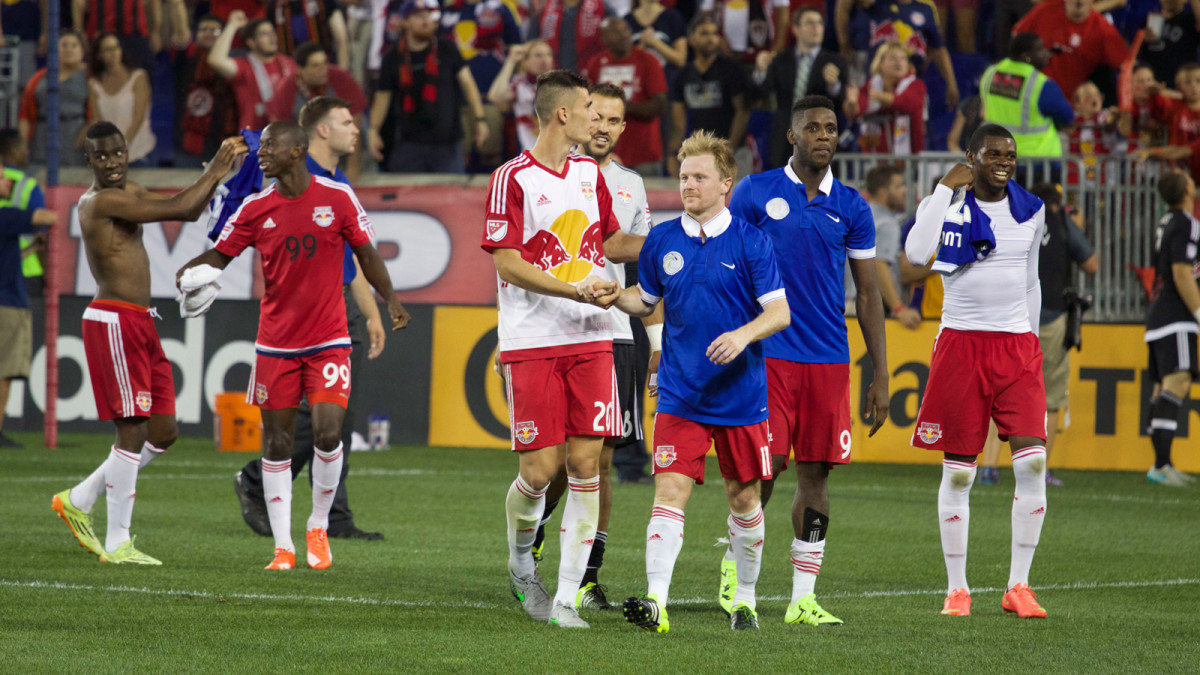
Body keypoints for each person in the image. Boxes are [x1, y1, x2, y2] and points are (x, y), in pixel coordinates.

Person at [178, 121, 407, 571]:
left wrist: (392, 299)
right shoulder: (254, 208)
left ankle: (317, 527)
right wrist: (187, 273)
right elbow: (219, 256)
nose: (260, 153)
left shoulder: (337, 197)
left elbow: (366, 254)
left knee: (327, 433)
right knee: (278, 442)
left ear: (297, 150)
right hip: (275, 344)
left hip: (329, 339)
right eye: (260, 147)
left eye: (269, 147)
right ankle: (283, 546)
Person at [482, 70, 644, 629]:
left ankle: (568, 597)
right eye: (589, 109)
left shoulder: (586, 174)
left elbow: (608, 242)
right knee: (540, 471)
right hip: (532, 340)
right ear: (562, 115)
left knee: (585, 464)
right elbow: (506, 261)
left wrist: (676, 238)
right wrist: (571, 286)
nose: (597, 119)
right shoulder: (513, 178)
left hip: (592, 337)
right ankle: (522, 561)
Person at [613, 130, 790, 633]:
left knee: (745, 500)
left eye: (699, 176)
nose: (688, 184)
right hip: (680, 392)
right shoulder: (663, 240)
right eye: (684, 175)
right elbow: (644, 302)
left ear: (725, 183)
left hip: (741, 396)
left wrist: (742, 335)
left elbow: (779, 312)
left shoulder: (752, 241)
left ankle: (747, 601)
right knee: (669, 492)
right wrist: (609, 296)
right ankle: (656, 602)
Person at [725, 94, 890, 627]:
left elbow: (867, 295)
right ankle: (736, 564)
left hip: (827, 359)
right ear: (792, 136)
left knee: (816, 475)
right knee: (765, 469)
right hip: (768, 355)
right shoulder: (755, 192)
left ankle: (803, 598)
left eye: (832, 128)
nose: (824, 135)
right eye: (813, 128)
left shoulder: (852, 205)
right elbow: (727, 263)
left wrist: (879, 373)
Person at [50, 123, 246, 565]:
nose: (112, 162)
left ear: (127, 152)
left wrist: (214, 178)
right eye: (101, 157)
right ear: (90, 162)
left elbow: (189, 209)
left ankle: (80, 498)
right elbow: (181, 208)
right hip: (113, 320)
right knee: (132, 429)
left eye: (118, 153)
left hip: (139, 320)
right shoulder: (100, 201)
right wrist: (216, 169)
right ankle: (118, 542)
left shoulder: (128, 190)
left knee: (163, 432)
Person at [233, 97, 395, 541]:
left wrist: (371, 311)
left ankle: (332, 518)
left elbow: (355, 258)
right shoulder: (293, 182)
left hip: (341, 305)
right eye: (345, 122)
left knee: (337, 417)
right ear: (318, 132)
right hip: (305, 316)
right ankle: (259, 480)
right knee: (319, 420)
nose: (355, 130)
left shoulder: (338, 184)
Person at [905, 123, 1050, 619]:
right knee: (961, 474)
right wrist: (944, 188)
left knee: (1032, 463)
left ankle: (1019, 586)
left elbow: (1031, 279)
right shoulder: (946, 204)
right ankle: (958, 589)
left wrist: (1030, 337)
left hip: (1016, 347)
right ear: (971, 156)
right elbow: (913, 254)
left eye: (1010, 154)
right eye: (992, 154)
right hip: (962, 344)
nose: (1004, 162)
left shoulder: (1032, 210)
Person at [530, 83, 657, 612]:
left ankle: (585, 575)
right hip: (557, 325)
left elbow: (645, 272)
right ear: (580, 116)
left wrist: (656, 341)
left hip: (618, 330)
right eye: (596, 115)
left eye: (614, 119)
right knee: (557, 463)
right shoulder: (554, 172)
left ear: (625, 126)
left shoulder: (631, 185)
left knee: (599, 462)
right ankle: (533, 539)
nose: (603, 126)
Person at [368, 0, 489, 173]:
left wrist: (480, 119)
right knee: (406, 198)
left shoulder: (447, 49)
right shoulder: (392, 57)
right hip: (408, 144)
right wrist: (373, 130)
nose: (426, 21)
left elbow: (468, 85)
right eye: (418, 16)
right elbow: (382, 97)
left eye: (429, 16)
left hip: (447, 144)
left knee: (450, 197)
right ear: (404, 21)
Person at [1032, 183, 1099, 486]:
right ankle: (1043, 469)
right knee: (1053, 397)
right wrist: (1076, 227)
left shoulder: (1019, 219)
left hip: (1016, 318)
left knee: (1002, 393)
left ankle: (991, 468)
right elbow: (1092, 264)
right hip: (1054, 316)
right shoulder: (1062, 222)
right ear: (1058, 205)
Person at [1142, 170, 1200, 487]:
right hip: (1176, 314)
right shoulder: (1187, 223)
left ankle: (1160, 464)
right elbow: (1182, 273)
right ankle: (1162, 465)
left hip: (1158, 312)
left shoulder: (1167, 221)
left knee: (1162, 388)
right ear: (1188, 188)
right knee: (1177, 383)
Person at [0, 148, 55, 448]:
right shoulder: (6, 215)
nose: (8, 182)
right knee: (4, 371)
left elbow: (8, 258)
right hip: (6, 301)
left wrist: (32, 249)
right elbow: (47, 216)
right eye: (2, 178)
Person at [751, 8, 849, 170]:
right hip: (784, 140)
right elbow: (761, 93)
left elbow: (842, 103)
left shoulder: (836, 62)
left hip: (819, 142)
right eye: (810, 23)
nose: (816, 28)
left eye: (819, 23)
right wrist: (760, 72)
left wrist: (833, 85)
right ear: (795, 29)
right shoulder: (781, 60)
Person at [268, 42, 367, 181]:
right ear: (300, 69)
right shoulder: (285, 91)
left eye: (325, 63)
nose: (323, 69)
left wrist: (353, 169)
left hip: (344, 147)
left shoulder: (343, 80)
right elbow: (281, 135)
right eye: (315, 65)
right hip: (302, 152)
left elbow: (355, 126)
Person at [583, 18, 669, 177]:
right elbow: (588, 105)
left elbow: (660, 106)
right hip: (604, 152)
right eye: (615, 32)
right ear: (604, 39)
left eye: (625, 30)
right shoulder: (595, 63)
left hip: (644, 154)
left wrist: (618, 106)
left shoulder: (648, 61)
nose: (623, 35)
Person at [669, 15, 750, 177]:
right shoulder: (683, 75)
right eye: (704, 34)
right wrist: (673, 153)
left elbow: (743, 111)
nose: (711, 38)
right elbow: (678, 121)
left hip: (735, 150)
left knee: (736, 200)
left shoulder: (731, 69)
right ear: (691, 39)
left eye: (714, 34)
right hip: (701, 152)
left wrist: (729, 148)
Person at [979, 34, 1075, 160]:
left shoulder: (991, 73)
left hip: (997, 159)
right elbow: (1068, 117)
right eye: (1040, 49)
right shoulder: (1041, 85)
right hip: (1038, 162)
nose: (1046, 53)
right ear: (1026, 57)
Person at [1013, 0, 1130, 102]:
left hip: (1070, 103)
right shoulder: (1045, 10)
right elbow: (1017, 36)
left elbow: (1126, 65)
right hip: (1032, 93)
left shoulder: (1103, 30)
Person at [166, 12, 240, 169]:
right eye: (203, 29)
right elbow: (180, 35)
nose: (208, 34)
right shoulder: (187, 56)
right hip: (189, 146)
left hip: (225, 144)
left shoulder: (233, 63)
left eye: (215, 31)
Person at [208, 10, 298, 131]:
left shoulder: (289, 63)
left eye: (272, 32)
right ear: (251, 42)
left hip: (287, 135)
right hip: (254, 138)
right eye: (264, 34)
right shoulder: (245, 66)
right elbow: (215, 60)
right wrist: (232, 26)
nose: (272, 37)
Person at [19, 31, 90, 167]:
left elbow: (95, 116)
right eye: (64, 45)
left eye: (74, 45)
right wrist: (23, 145)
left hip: (75, 140)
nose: (68, 49)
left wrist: (79, 141)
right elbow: (25, 116)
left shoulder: (90, 78)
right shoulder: (38, 78)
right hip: (42, 139)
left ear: (82, 51)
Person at [864, 164, 921, 329]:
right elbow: (878, 264)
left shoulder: (860, 218)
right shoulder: (887, 224)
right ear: (883, 192)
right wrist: (899, 308)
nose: (905, 190)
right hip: (877, 311)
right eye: (899, 186)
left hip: (852, 307)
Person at [89, 33, 157, 166]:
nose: (114, 53)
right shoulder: (93, 84)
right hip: (109, 157)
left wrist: (121, 148)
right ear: (99, 55)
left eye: (116, 47)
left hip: (139, 153)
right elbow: (97, 119)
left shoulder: (139, 77)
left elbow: (138, 117)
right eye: (108, 49)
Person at [850, 42, 927, 155]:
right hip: (875, 159)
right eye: (893, 58)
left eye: (903, 58)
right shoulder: (871, 86)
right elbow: (856, 110)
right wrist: (851, 103)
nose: (899, 62)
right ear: (880, 63)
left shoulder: (916, 85)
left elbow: (906, 103)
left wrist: (879, 96)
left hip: (909, 159)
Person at [487, 40, 555, 153]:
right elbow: (495, 96)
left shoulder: (561, 83)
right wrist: (511, 61)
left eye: (548, 55)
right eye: (538, 55)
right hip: (531, 155)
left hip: (561, 154)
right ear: (525, 62)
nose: (545, 60)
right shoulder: (519, 83)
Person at [265, 0, 350, 68]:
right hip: (292, 70)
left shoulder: (323, 2)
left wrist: (342, 70)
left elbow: (341, 39)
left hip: (325, 65)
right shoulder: (275, 7)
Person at [535, 0, 608, 74]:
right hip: (557, 71)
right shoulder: (547, 9)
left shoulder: (600, 7)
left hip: (588, 70)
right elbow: (532, 41)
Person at [1141, 0, 1200, 88]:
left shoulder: (1190, 19)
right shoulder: (1149, 19)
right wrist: (1142, 39)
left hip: (1181, 85)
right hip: (1152, 83)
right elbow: (1135, 55)